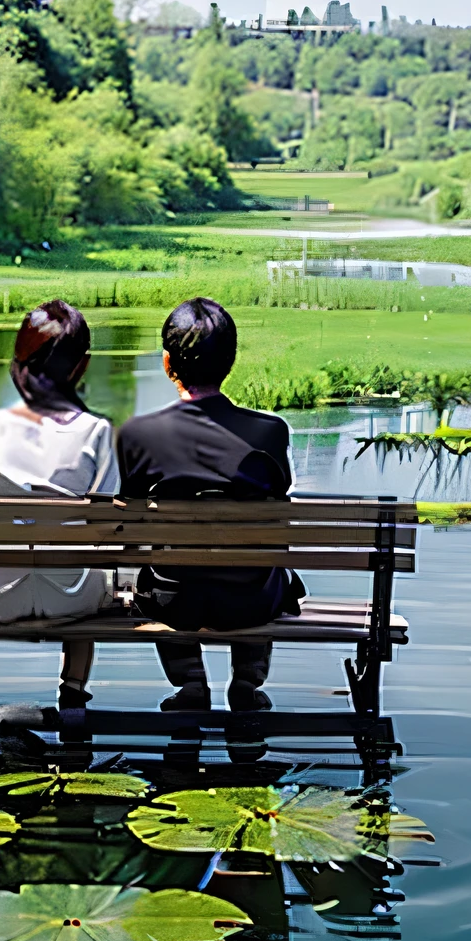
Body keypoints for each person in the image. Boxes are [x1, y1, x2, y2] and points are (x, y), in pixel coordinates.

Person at [116, 297, 303, 713]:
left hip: (173, 599)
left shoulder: (138, 435)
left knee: (156, 576)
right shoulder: (270, 433)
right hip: (250, 600)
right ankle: (247, 681)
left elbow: (127, 516)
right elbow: (278, 504)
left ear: (168, 364)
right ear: (230, 362)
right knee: (262, 566)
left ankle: (190, 682)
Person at [0, 300, 116, 710]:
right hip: (73, 600)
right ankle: (73, 689)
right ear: (81, 366)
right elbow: (106, 521)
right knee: (93, 564)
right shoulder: (97, 431)